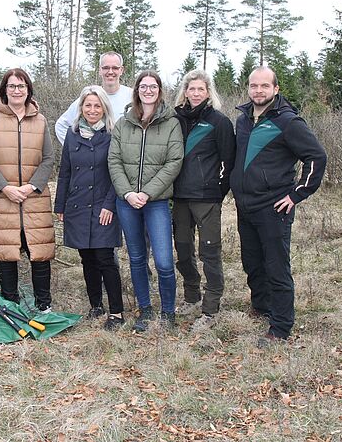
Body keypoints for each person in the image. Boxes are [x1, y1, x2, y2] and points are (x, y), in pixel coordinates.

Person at [230, 66, 326, 345]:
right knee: (252, 262)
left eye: (264, 86)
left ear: (275, 89)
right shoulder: (243, 120)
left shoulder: (288, 122)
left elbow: (316, 157)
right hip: (245, 205)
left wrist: (297, 194)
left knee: (276, 266)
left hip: (274, 208)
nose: (258, 91)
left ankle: (281, 326)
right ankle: (261, 306)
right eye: (253, 86)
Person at [108, 70, 183, 332]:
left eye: (153, 86)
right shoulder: (124, 123)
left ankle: (168, 312)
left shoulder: (171, 123)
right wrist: (128, 193)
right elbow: (114, 160)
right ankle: (145, 309)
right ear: (137, 90)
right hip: (126, 202)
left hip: (157, 202)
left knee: (163, 260)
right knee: (137, 257)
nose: (148, 90)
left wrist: (147, 193)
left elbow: (174, 162)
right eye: (143, 86)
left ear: (159, 90)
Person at [0, 68, 55, 312]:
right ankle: (11, 303)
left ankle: (44, 305)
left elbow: (49, 159)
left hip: (34, 197)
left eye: (21, 86)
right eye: (12, 86)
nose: (17, 90)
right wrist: (5, 188)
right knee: (6, 252)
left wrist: (32, 186)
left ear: (28, 90)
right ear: (4, 90)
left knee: (39, 251)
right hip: (1, 198)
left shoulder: (40, 120)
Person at [54, 86, 124, 331]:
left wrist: (110, 205)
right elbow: (64, 173)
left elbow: (119, 174)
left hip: (104, 205)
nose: (92, 110)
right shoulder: (72, 135)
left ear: (104, 108)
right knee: (86, 257)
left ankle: (116, 311)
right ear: (81, 108)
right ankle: (96, 305)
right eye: (88, 105)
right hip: (77, 205)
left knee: (105, 257)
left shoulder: (113, 135)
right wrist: (60, 205)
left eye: (97, 106)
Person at [172, 70, 235, 332]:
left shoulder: (218, 122)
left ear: (208, 92)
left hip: (207, 198)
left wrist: (217, 192)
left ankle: (210, 309)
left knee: (210, 253)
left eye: (201, 89)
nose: (196, 93)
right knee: (183, 251)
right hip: (179, 197)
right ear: (185, 91)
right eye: (192, 89)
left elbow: (228, 161)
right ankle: (191, 296)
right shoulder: (175, 120)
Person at [55, 51, 132, 145]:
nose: (110, 72)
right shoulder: (90, 98)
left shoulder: (132, 96)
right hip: (95, 158)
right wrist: (74, 149)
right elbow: (61, 125)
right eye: (106, 68)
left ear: (121, 70)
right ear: (100, 70)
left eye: (115, 68)